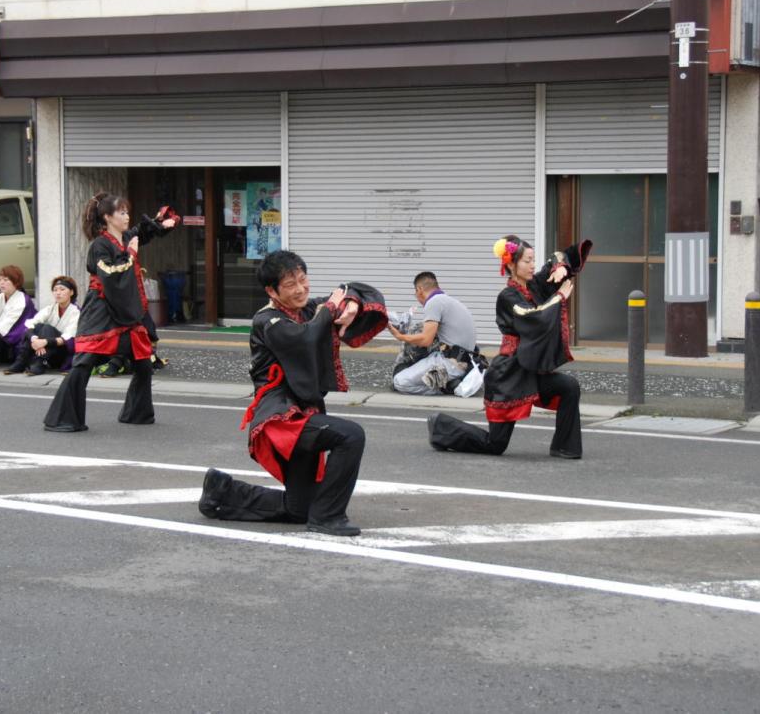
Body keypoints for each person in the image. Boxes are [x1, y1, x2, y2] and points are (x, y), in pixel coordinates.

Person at [198, 250, 388, 537]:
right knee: (351, 435)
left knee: (299, 509)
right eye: (290, 284)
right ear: (271, 291)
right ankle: (328, 516)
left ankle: (222, 491)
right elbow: (307, 338)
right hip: (280, 417)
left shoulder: (306, 310)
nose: (300, 289)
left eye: (303, 279)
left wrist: (349, 302)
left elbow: (360, 291)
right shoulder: (268, 321)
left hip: (304, 411)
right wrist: (330, 309)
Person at [427, 236, 592, 459]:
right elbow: (533, 317)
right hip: (510, 374)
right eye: (527, 261)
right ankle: (441, 426)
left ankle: (564, 447)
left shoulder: (535, 284)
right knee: (495, 444)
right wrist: (560, 296)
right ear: (512, 265)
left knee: (568, 386)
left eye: (533, 260)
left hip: (530, 368)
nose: (533, 265)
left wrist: (562, 268)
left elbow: (559, 258)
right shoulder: (507, 296)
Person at [43, 194, 179, 433]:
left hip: (125, 308)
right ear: (107, 217)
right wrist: (132, 255)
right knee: (84, 362)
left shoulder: (125, 238)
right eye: (122, 213)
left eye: (127, 212)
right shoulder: (99, 245)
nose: (127, 217)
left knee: (143, 360)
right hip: (102, 310)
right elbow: (110, 274)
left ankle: (136, 413)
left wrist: (160, 223)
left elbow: (141, 232)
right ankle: (61, 417)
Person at [387, 272, 480, 395]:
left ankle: (447, 387)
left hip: (448, 365)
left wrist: (400, 336)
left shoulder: (434, 302)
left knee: (399, 382)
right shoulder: (450, 301)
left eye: (415, 292)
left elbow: (426, 340)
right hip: (465, 363)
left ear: (419, 289)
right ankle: (448, 382)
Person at [6, 276, 80, 376]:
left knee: (47, 328)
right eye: (55, 290)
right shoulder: (50, 309)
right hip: (46, 348)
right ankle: (21, 362)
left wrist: (44, 342)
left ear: (71, 292)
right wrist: (34, 339)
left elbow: (67, 338)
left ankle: (40, 363)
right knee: (38, 327)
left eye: (62, 289)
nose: (58, 293)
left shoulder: (76, 312)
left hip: (61, 353)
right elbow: (30, 323)